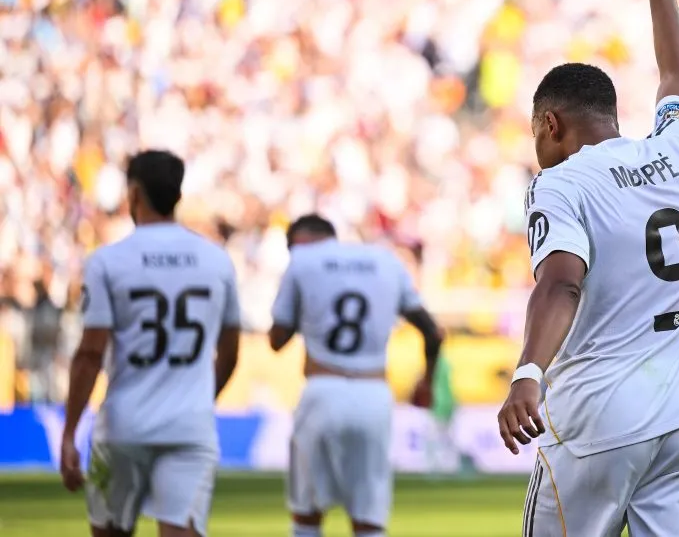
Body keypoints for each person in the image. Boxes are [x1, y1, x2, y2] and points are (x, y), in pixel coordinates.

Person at [496, 0, 679, 537]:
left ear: (551, 124)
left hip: (597, 420)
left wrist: (529, 371)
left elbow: (562, 281)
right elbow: (677, 75)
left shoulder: (563, 181)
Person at [60, 150, 242, 537]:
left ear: (135, 194)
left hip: (124, 426)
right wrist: (198, 400)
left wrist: (69, 431)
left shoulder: (108, 261)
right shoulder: (217, 261)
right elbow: (230, 352)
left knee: (110, 531)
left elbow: (91, 354)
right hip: (189, 428)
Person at [268, 214, 444, 537]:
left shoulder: (303, 261)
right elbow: (433, 333)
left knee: (307, 512)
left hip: (322, 388)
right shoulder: (385, 261)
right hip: (374, 394)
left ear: (298, 242)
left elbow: (277, 339)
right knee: (369, 515)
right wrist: (427, 381)